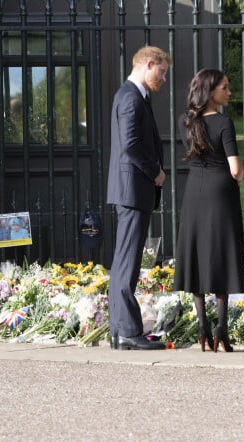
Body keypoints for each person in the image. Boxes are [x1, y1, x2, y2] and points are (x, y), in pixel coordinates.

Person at [173, 69, 244, 353]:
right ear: (211, 91)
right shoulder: (224, 123)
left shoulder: (185, 121)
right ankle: (222, 329)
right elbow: (236, 169)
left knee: (197, 253)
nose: (229, 93)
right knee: (221, 253)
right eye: (225, 88)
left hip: (194, 190)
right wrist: (237, 177)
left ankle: (202, 327)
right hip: (220, 192)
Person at [106, 46, 171, 351]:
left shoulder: (133, 96)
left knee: (124, 263)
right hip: (133, 190)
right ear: (148, 64)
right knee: (127, 264)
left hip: (131, 191)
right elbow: (131, 145)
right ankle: (128, 331)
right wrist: (156, 171)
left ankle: (120, 331)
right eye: (163, 71)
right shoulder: (131, 97)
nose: (165, 78)